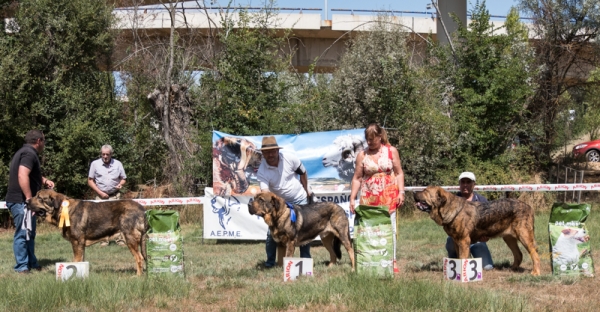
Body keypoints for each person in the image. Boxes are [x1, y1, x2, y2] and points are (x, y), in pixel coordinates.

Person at [349, 123, 405, 274]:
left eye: (373, 139)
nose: (370, 143)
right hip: (368, 199)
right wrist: (352, 198)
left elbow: (399, 173)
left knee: (389, 229)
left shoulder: (391, 151)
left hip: (389, 197)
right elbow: (357, 178)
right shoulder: (362, 155)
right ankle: (369, 260)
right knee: (370, 230)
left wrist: (401, 192)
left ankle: (391, 261)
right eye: (368, 140)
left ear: (380, 137)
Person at [256, 136, 312, 268]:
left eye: (273, 151)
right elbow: (266, 193)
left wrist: (306, 189)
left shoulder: (290, 158)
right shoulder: (261, 171)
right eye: (267, 152)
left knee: (303, 231)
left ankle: (306, 261)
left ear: (277, 151)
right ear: (263, 154)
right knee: (272, 233)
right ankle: (270, 263)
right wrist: (279, 204)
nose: (271, 154)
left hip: (299, 198)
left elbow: (303, 172)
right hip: (281, 205)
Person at [5, 130, 55, 274]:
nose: (44, 144)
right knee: (22, 233)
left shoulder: (24, 152)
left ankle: (32, 263)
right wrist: (29, 198)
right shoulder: (29, 154)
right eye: (44, 141)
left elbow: (31, 174)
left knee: (29, 233)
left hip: (23, 202)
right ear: (38, 141)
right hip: (21, 201)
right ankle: (22, 267)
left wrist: (44, 180)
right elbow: (22, 174)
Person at [445, 172, 494, 270]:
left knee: (488, 268)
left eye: (468, 182)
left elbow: (489, 222)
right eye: (463, 182)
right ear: (459, 184)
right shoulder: (452, 201)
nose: (465, 185)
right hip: (457, 240)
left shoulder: (482, 201)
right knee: (450, 241)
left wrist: (487, 236)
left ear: (474, 184)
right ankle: (455, 261)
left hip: (477, 241)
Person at [88, 144, 127, 246]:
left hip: (115, 195)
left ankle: (120, 240)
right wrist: (100, 192)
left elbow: (124, 178)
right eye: (103, 154)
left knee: (117, 218)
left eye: (107, 154)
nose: (105, 156)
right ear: (101, 154)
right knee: (101, 219)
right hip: (100, 196)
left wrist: (120, 184)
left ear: (111, 154)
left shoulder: (118, 164)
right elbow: (90, 181)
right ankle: (103, 241)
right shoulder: (95, 164)